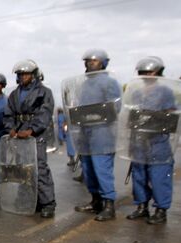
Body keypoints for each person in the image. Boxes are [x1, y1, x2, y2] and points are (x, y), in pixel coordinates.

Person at [71, 49, 122, 221]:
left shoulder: (110, 82)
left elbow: (115, 107)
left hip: (102, 133)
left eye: (94, 61)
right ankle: (95, 201)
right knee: (89, 169)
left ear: (103, 63)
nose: (89, 64)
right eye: (87, 61)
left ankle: (109, 204)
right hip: (86, 133)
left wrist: (97, 116)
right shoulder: (84, 84)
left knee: (102, 169)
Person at [126, 56, 177, 224]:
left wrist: (154, 118)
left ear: (158, 73)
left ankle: (161, 209)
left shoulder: (165, 92)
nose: (146, 75)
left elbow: (170, 114)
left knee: (159, 176)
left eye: (149, 72)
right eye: (143, 72)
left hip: (157, 140)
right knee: (139, 175)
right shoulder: (137, 93)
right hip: (139, 140)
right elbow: (131, 115)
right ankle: (142, 206)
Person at [3, 59, 56, 218]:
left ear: (33, 75)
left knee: (39, 168)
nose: (22, 77)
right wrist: (10, 128)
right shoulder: (14, 94)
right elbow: (8, 114)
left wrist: (32, 129)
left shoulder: (44, 92)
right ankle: (29, 200)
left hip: (35, 136)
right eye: (20, 74)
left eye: (25, 74)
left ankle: (47, 203)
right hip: (18, 136)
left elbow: (45, 113)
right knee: (22, 170)